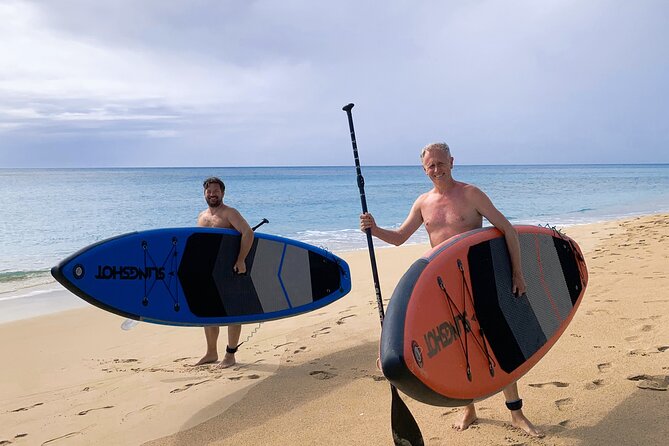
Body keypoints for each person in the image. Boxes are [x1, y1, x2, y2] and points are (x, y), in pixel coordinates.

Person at [360, 143, 544, 438]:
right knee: (461, 344)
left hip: (479, 275)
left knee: (500, 339)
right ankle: (469, 407)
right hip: (444, 284)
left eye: (440, 163)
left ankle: (516, 412)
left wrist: (517, 272)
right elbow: (398, 238)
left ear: (452, 162)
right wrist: (375, 228)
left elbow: (507, 230)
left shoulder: (471, 194)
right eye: (430, 166)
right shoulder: (422, 203)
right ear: (424, 169)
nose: (436, 169)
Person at [194, 176, 254, 368]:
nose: (212, 194)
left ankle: (230, 354)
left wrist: (241, 259)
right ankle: (211, 353)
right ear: (204, 193)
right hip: (208, 272)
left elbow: (247, 233)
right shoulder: (202, 216)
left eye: (216, 191)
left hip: (229, 270)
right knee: (208, 313)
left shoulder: (230, 213)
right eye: (209, 191)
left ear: (223, 193)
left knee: (232, 312)